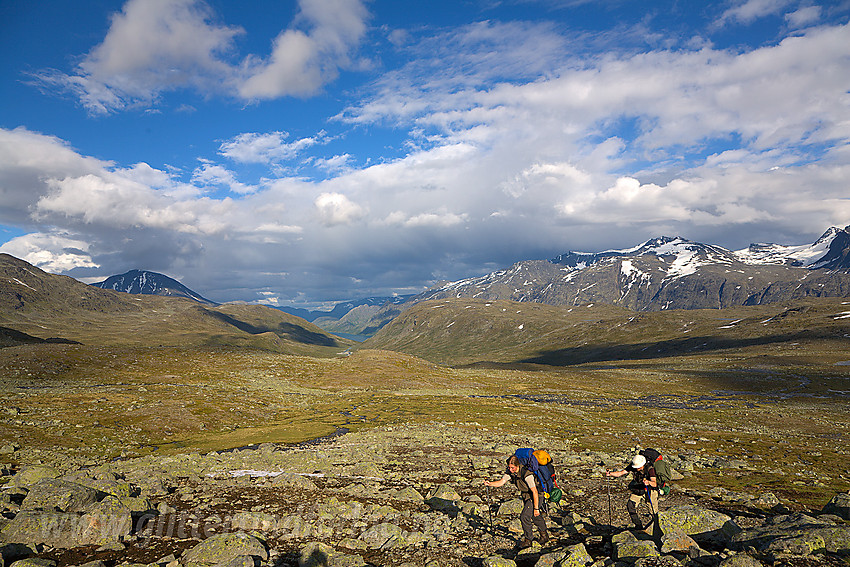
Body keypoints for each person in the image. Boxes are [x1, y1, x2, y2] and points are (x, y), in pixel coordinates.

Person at [485, 455, 549, 549]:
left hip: (537, 496)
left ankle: (528, 540)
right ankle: (544, 536)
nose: (510, 470)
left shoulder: (527, 474)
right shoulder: (511, 473)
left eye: (512, 468)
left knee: (524, 516)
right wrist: (490, 484)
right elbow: (501, 482)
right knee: (535, 515)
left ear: (518, 465)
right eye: (509, 467)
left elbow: (535, 491)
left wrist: (536, 508)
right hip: (527, 496)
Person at [606, 453, 660, 537]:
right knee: (630, 505)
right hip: (639, 489)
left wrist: (648, 482)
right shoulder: (633, 466)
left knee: (653, 511)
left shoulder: (650, 468)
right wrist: (611, 474)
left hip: (650, 490)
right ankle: (638, 526)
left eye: (638, 467)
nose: (636, 469)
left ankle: (657, 529)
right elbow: (621, 473)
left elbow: (655, 483)